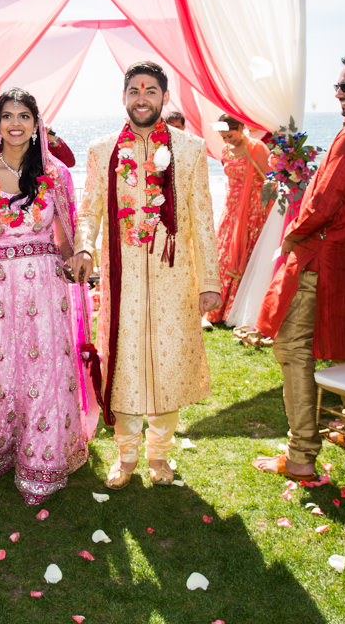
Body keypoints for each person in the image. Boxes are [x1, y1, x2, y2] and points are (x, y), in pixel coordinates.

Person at [69, 61, 220, 489]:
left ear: (164, 98)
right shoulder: (102, 151)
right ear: (123, 98)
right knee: (126, 365)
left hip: (173, 277)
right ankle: (126, 455)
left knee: (167, 367)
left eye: (150, 90)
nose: (141, 97)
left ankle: (158, 455)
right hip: (123, 282)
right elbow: (90, 209)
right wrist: (84, 245)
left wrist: (209, 280)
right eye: (134, 90)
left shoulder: (189, 150)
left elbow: (204, 219)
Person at [0, 89, 97, 503]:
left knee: (46, 368)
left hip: (47, 291)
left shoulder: (55, 175)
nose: (16, 123)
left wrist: (79, 258)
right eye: (7, 116)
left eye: (24, 116)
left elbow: (66, 239)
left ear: (36, 124)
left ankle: (45, 459)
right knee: (0, 369)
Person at [254, 54, 345, 481]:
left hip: (330, 255)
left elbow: (324, 200)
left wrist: (294, 234)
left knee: (292, 345)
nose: (337, 94)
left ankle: (302, 452)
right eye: (337, 87)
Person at [207, 114, 271, 324]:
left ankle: (237, 308)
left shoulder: (257, 148)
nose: (227, 141)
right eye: (223, 137)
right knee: (224, 254)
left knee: (244, 253)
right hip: (231, 207)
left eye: (230, 135)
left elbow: (270, 179)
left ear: (241, 128)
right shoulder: (225, 150)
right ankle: (217, 308)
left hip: (252, 209)